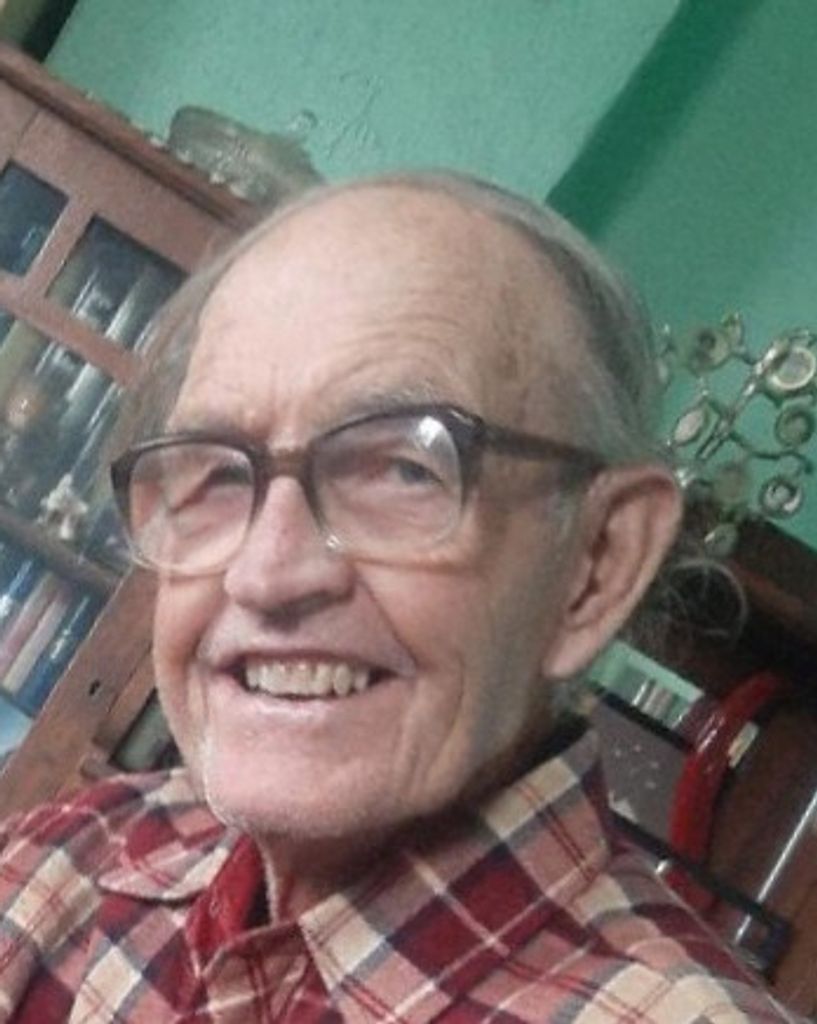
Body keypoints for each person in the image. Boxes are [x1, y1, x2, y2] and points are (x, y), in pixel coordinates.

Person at [0, 171, 798, 1022]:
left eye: (402, 468)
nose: (263, 574)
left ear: (596, 564)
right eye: (214, 472)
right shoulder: (67, 862)